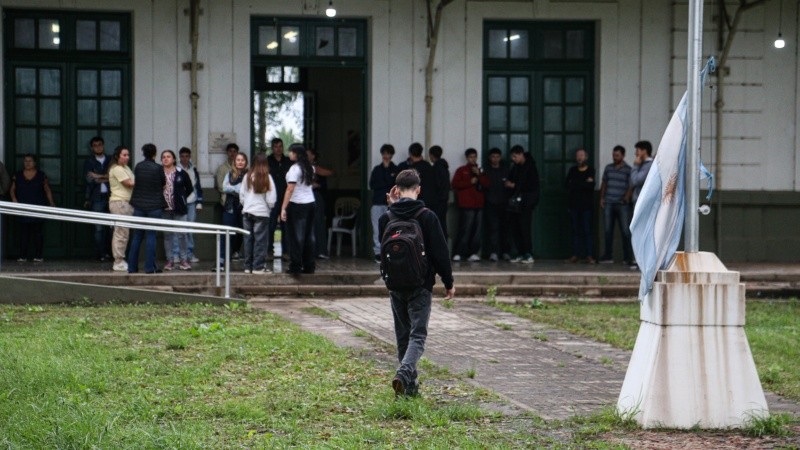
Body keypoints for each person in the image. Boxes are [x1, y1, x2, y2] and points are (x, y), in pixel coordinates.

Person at [379, 169, 455, 397]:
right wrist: (448, 282)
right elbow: (441, 253)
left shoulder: (387, 217)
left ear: (396, 189)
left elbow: (380, 252)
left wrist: (392, 206)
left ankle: (409, 390)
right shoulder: (427, 216)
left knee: (403, 336)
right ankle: (404, 374)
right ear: (418, 189)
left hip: (395, 285)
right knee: (418, 335)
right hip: (420, 284)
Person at [127, 143, 166, 274]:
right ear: (155, 154)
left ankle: (132, 267)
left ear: (143, 153)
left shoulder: (138, 167)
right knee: (151, 236)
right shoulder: (158, 168)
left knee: (137, 236)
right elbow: (163, 183)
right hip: (154, 205)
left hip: (138, 205)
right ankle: (150, 267)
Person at [279, 144, 316, 275]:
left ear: (296, 154)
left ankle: (295, 266)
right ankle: (309, 265)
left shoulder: (294, 169)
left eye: (291, 152)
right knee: (309, 236)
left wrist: (283, 208)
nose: (289, 154)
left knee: (296, 236)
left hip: (297, 204)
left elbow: (290, 189)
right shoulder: (310, 167)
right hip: (310, 203)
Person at [10, 154, 55, 262]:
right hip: (23, 207)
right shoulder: (18, 175)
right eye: (25, 161)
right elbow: (12, 189)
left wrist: (51, 202)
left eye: (30, 161)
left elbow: (47, 189)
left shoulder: (41, 175)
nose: (28, 163)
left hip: (38, 206)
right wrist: (14, 200)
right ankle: (22, 256)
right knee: (24, 232)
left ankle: (38, 256)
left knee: (38, 232)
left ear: (35, 163)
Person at [240, 154, 277, 274]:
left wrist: (246, 205)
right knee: (260, 241)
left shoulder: (247, 176)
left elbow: (242, 195)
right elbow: (271, 199)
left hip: (247, 211)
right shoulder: (267, 177)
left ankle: (247, 266)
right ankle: (258, 267)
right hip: (261, 213)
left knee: (248, 240)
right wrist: (269, 208)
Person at [451, 148, 489, 262]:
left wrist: (480, 175)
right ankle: (458, 252)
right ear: (467, 158)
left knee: (476, 230)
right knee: (465, 229)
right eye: (471, 157)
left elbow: (487, 184)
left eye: (475, 157)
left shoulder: (481, 170)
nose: (473, 159)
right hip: (466, 204)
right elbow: (455, 184)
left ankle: (473, 253)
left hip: (479, 204)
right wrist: (469, 182)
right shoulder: (462, 170)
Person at [598, 145, 633, 266]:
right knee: (608, 230)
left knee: (625, 231)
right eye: (614, 155)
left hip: (622, 204)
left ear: (623, 156)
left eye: (617, 155)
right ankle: (608, 255)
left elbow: (631, 185)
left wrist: (626, 198)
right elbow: (604, 183)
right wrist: (602, 198)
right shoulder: (608, 168)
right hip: (608, 202)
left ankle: (627, 257)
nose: (615, 157)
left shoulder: (628, 169)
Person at [504, 145, 539, 264]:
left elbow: (530, 185)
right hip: (515, 203)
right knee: (516, 228)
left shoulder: (530, 167)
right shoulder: (516, 167)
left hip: (526, 202)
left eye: (515, 156)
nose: (513, 159)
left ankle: (528, 253)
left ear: (521, 154)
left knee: (524, 228)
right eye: (512, 157)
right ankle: (521, 252)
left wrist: (514, 186)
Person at [161, 149, 194, 271]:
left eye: (168, 156)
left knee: (182, 235)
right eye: (163, 157)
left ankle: (183, 260)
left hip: (179, 208)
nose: (166, 159)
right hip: (165, 209)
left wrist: (181, 198)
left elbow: (189, 188)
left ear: (174, 159)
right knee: (168, 236)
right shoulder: (159, 172)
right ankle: (170, 260)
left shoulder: (181, 173)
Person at [565, 148, 596, 264]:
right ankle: (575, 255)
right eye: (578, 155)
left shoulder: (591, 170)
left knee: (587, 231)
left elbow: (590, 186)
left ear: (586, 157)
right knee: (575, 231)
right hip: (574, 205)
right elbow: (567, 185)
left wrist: (576, 184)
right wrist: (583, 183)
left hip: (586, 206)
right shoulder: (572, 170)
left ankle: (589, 255)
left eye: (582, 155)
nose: (579, 157)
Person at [84, 136, 112, 261]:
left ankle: (111, 253)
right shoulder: (89, 161)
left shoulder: (110, 160)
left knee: (112, 227)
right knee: (99, 228)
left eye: (100, 144)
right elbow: (89, 179)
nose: (98, 147)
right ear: (92, 147)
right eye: (95, 145)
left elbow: (114, 177)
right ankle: (101, 254)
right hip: (96, 197)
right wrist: (104, 177)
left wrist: (98, 176)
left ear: (103, 145)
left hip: (112, 196)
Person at [218, 152, 248, 269]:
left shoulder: (248, 175)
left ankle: (248, 262)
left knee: (242, 234)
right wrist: (238, 188)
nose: (240, 162)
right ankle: (221, 261)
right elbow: (224, 187)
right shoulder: (229, 174)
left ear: (246, 162)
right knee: (226, 234)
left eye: (242, 160)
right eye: (238, 160)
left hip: (244, 208)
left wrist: (234, 188)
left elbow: (246, 189)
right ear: (234, 162)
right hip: (229, 208)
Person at [108, 146, 135, 271]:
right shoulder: (117, 169)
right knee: (121, 232)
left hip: (126, 202)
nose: (127, 157)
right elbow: (129, 183)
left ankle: (120, 259)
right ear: (117, 156)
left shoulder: (126, 168)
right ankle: (118, 260)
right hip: (120, 202)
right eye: (124, 155)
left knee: (124, 232)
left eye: (128, 155)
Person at [369, 144, 398, 262]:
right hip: (377, 202)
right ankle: (378, 252)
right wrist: (386, 182)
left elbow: (394, 184)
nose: (386, 156)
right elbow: (372, 185)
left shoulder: (395, 169)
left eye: (388, 153)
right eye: (384, 153)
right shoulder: (377, 169)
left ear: (391, 155)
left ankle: (390, 251)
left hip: (391, 204)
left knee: (391, 228)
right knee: (377, 229)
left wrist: (386, 174)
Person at [176, 147, 203, 263]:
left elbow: (198, 186)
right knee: (178, 229)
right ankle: (176, 254)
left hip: (191, 202)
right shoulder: (175, 169)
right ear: (179, 157)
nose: (185, 158)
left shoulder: (193, 169)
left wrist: (200, 202)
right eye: (182, 156)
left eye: (187, 156)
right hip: (179, 203)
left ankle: (189, 253)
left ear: (190, 157)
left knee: (189, 229)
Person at [483, 148, 511, 262]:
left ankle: (505, 252)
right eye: (493, 156)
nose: (495, 159)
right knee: (493, 229)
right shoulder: (486, 170)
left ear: (500, 157)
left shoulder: (506, 170)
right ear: (490, 158)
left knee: (505, 229)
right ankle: (494, 252)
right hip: (491, 203)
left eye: (497, 156)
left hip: (505, 203)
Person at [307, 147, 335, 259]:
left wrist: (316, 171)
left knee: (319, 223)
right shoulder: (304, 168)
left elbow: (330, 173)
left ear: (313, 156)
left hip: (318, 197)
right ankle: (312, 251)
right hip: (308, 198)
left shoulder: (315, 167)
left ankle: (321, 250)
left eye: (307, 154)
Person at [267, 138, 292, 257]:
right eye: (276, 146)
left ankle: (286, 252)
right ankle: (269, 251)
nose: (278, 149)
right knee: (270, 225)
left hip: (286, 197)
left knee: (286, 226)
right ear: (272, 148)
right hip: (272, 198)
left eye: (280, 146)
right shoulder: (268, 161)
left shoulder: (288, 161)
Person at [215, 143, 239, 259]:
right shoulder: (222, 168)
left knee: (239, 230)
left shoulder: (244, 169)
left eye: (235, 151)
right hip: (227, 202)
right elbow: (221, 186)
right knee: (227, 229)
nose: (232, 153)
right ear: (227, 153)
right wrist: (235, 190)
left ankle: (236, 252)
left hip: (242, 203)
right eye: (230, 151)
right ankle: (224, 256)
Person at [397, 143, 435, 208]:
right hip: (427, 201)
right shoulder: (428, 166)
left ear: (410, 154)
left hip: (411, 201)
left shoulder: (408, 168)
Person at [428, 145, 451, 238]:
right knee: (442, 224)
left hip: (436, 201)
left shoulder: (435, 169)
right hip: (444, 200)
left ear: (431, 155)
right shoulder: (445, 168)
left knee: (436, 225)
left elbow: (436, 185)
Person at [630, 140, 654, 206]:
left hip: (643, 201)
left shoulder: (648, 165)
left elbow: (636, 181)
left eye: (637, 150)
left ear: (644, 151)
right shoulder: (642, 164)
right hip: (639, 199)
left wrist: (635, 166)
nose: (635, 153)